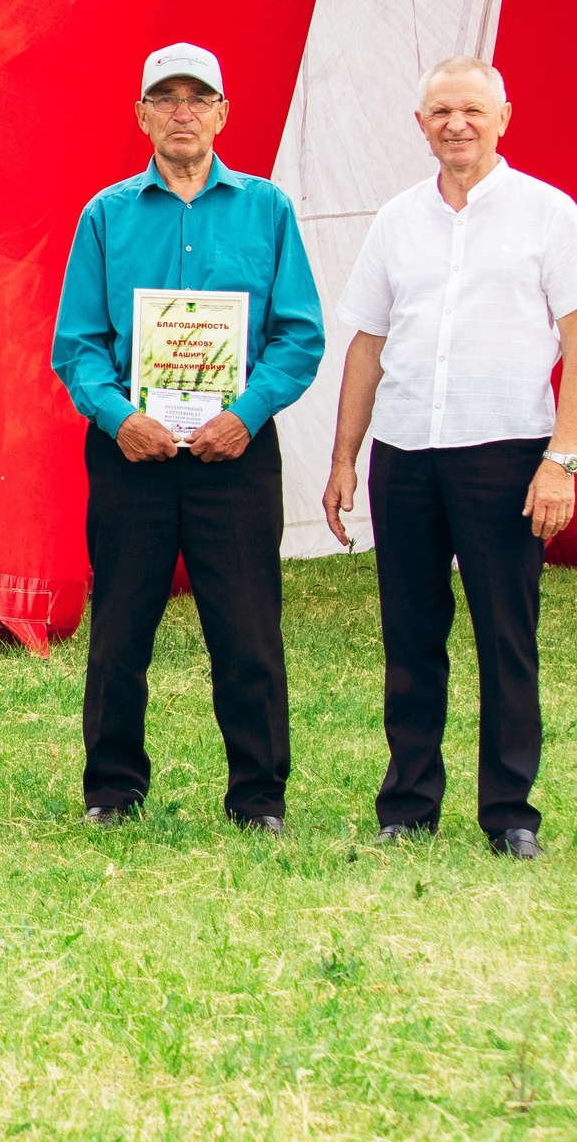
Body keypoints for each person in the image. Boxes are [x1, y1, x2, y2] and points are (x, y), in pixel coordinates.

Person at [50, 43, 323, 834]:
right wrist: (117, 416)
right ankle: (111, 789)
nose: (181, 112)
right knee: (121, 625)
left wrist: (246, 413)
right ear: (141, 114)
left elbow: (299, 335)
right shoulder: (105, 214)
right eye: (164, 98)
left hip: (235, 451)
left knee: (246, 626)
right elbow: (79, 343)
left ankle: (259, 796)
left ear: (222, 113)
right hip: (132, 451)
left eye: (197, 98)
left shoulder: (267, 209)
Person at [323, 56, 573, 861]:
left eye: (472, 109)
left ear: (504, 115)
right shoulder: (397, 219)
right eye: (440, 111)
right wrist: (342, 457)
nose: (456, 123)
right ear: (420, 124)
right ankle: (407, 804)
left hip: (507, 451)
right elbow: (366, 342)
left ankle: (509, 813)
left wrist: (562, 460)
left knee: (508, 634)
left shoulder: (549, 213)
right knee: (411, 631)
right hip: (406, 451)